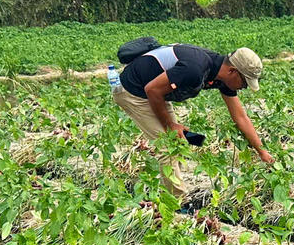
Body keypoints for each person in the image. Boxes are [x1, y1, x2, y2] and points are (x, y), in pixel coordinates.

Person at [113, 43, 273, 200]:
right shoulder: (195, 69)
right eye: (244, 82)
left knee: (179, 141)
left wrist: (262, 152)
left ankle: (171, 181)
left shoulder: (221, 76)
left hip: (156, 91)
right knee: (167, 147)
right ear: (233, 71)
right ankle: (177, 203)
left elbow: (240, 117)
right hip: (133, 91)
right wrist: (170, 125)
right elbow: (152, 90)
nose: (243, 87)